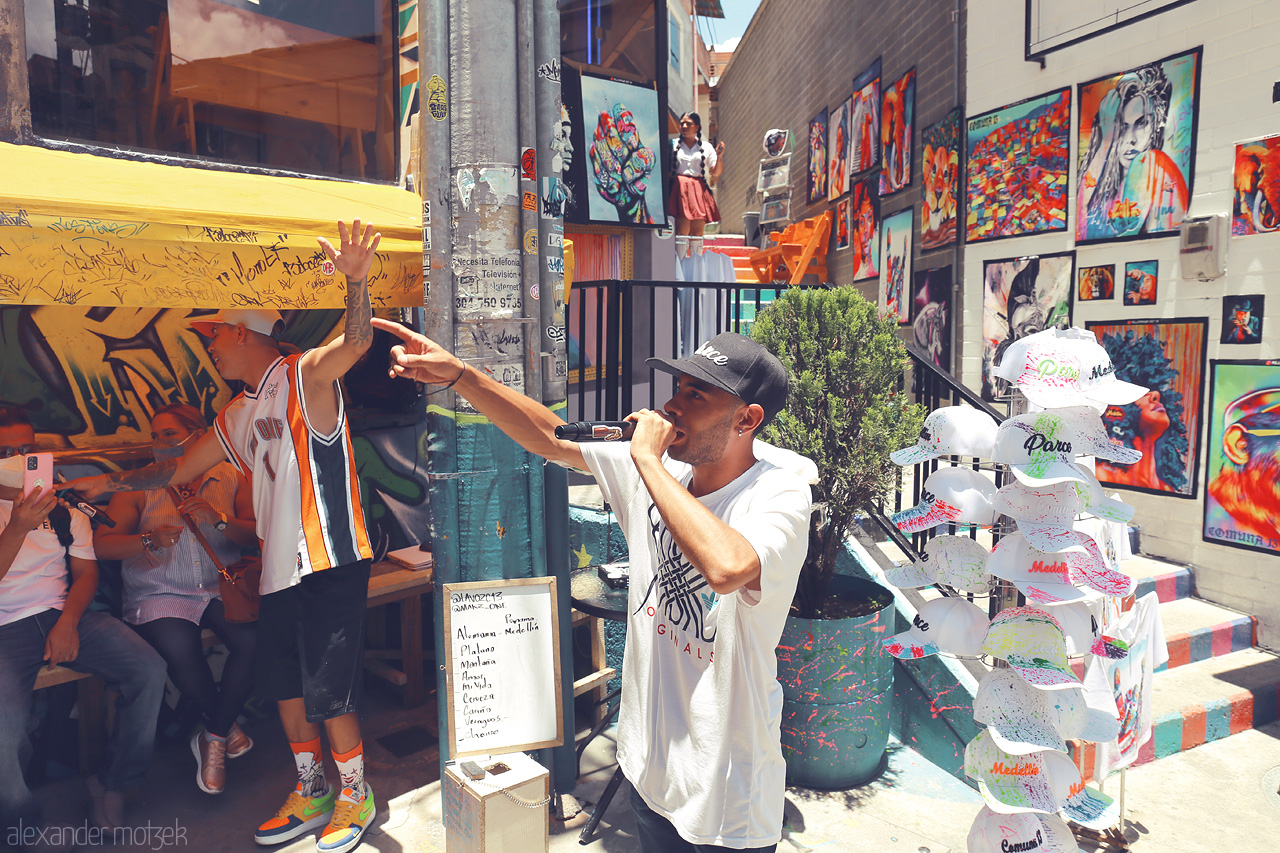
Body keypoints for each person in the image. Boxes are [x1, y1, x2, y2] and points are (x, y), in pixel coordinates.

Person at [370, 321, 813, 852]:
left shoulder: (778, 494)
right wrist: (462, 375)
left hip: (725, 797)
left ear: (747, 418)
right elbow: (547, 436)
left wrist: (646, 458)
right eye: (677, 389)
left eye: (697, 395)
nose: (672, 406)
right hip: (649, 774)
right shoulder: (659, 469)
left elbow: (727, 568)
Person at [62, 219, 380, 853]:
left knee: (328, 686)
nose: (208, 343)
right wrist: (111, 482)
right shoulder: (238, 410)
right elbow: (177, 467)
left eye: (213, 333)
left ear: (242, 331)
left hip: (329, 561)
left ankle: (355, 793)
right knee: (285, 681)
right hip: (277, 569)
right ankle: (312, 787)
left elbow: (358, 340)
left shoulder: (305, 375)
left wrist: (357, 284)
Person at [0, 406, 167, 840]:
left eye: (26, 449)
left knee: (147, 670)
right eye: (5, 451)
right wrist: (17, 526)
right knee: (5, 727)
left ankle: (113, 783)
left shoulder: (64, 507)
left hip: (62, 613)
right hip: (5, 628)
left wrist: (69, 622)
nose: (18, 458)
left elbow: (86, 573)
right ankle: (19, 828)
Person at [92, 404, 258, 796]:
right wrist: (147, 540)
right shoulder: (140, 483)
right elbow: (104, 545)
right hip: (159, 589)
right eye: (155, 436)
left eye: (169, 434)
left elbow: (254, 535)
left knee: (254, 644)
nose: (160, 443)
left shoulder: (231, 473)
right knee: (180, 649)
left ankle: (212, 735)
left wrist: (219, 519)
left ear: (198, 434)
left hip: (221, 587)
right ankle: (226, 729)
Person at [1077, 65, 1189, 241]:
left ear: (1155, 126)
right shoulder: (1105, 191)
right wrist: (1107, 140)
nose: (1131, 138)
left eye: (1141, 123)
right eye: (1122, 127)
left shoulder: (1157, 166)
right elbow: (1077, 225)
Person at [1094, 330, 1190, 493]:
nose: (1155, 395)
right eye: (1139, 390)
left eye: (1154, 389)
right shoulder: (1096, 475)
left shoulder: (1167, 487)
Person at [669, 112, 724, 258]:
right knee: (681, 232)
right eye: (682, 123)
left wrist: (720, 157)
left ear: (697, 127)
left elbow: (716, 173)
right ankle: (679, 268)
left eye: (689, 123)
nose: (684, 126)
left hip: (698, 189)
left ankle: (696, 267)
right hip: (679, 189)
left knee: (697, 233)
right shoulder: (672, 144)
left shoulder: (706, 147)